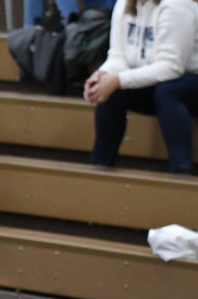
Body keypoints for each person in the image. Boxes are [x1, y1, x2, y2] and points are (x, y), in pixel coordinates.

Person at [84, 0, 198, 174]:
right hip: (162, 81)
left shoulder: (177, 5)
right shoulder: (124, 4)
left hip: (188, 79)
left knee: (168, 91)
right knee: (109, 91)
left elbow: (172, 67)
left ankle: (181, 172)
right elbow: (118, 57)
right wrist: (102, 76)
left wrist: (118, 80)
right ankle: (101, 165)